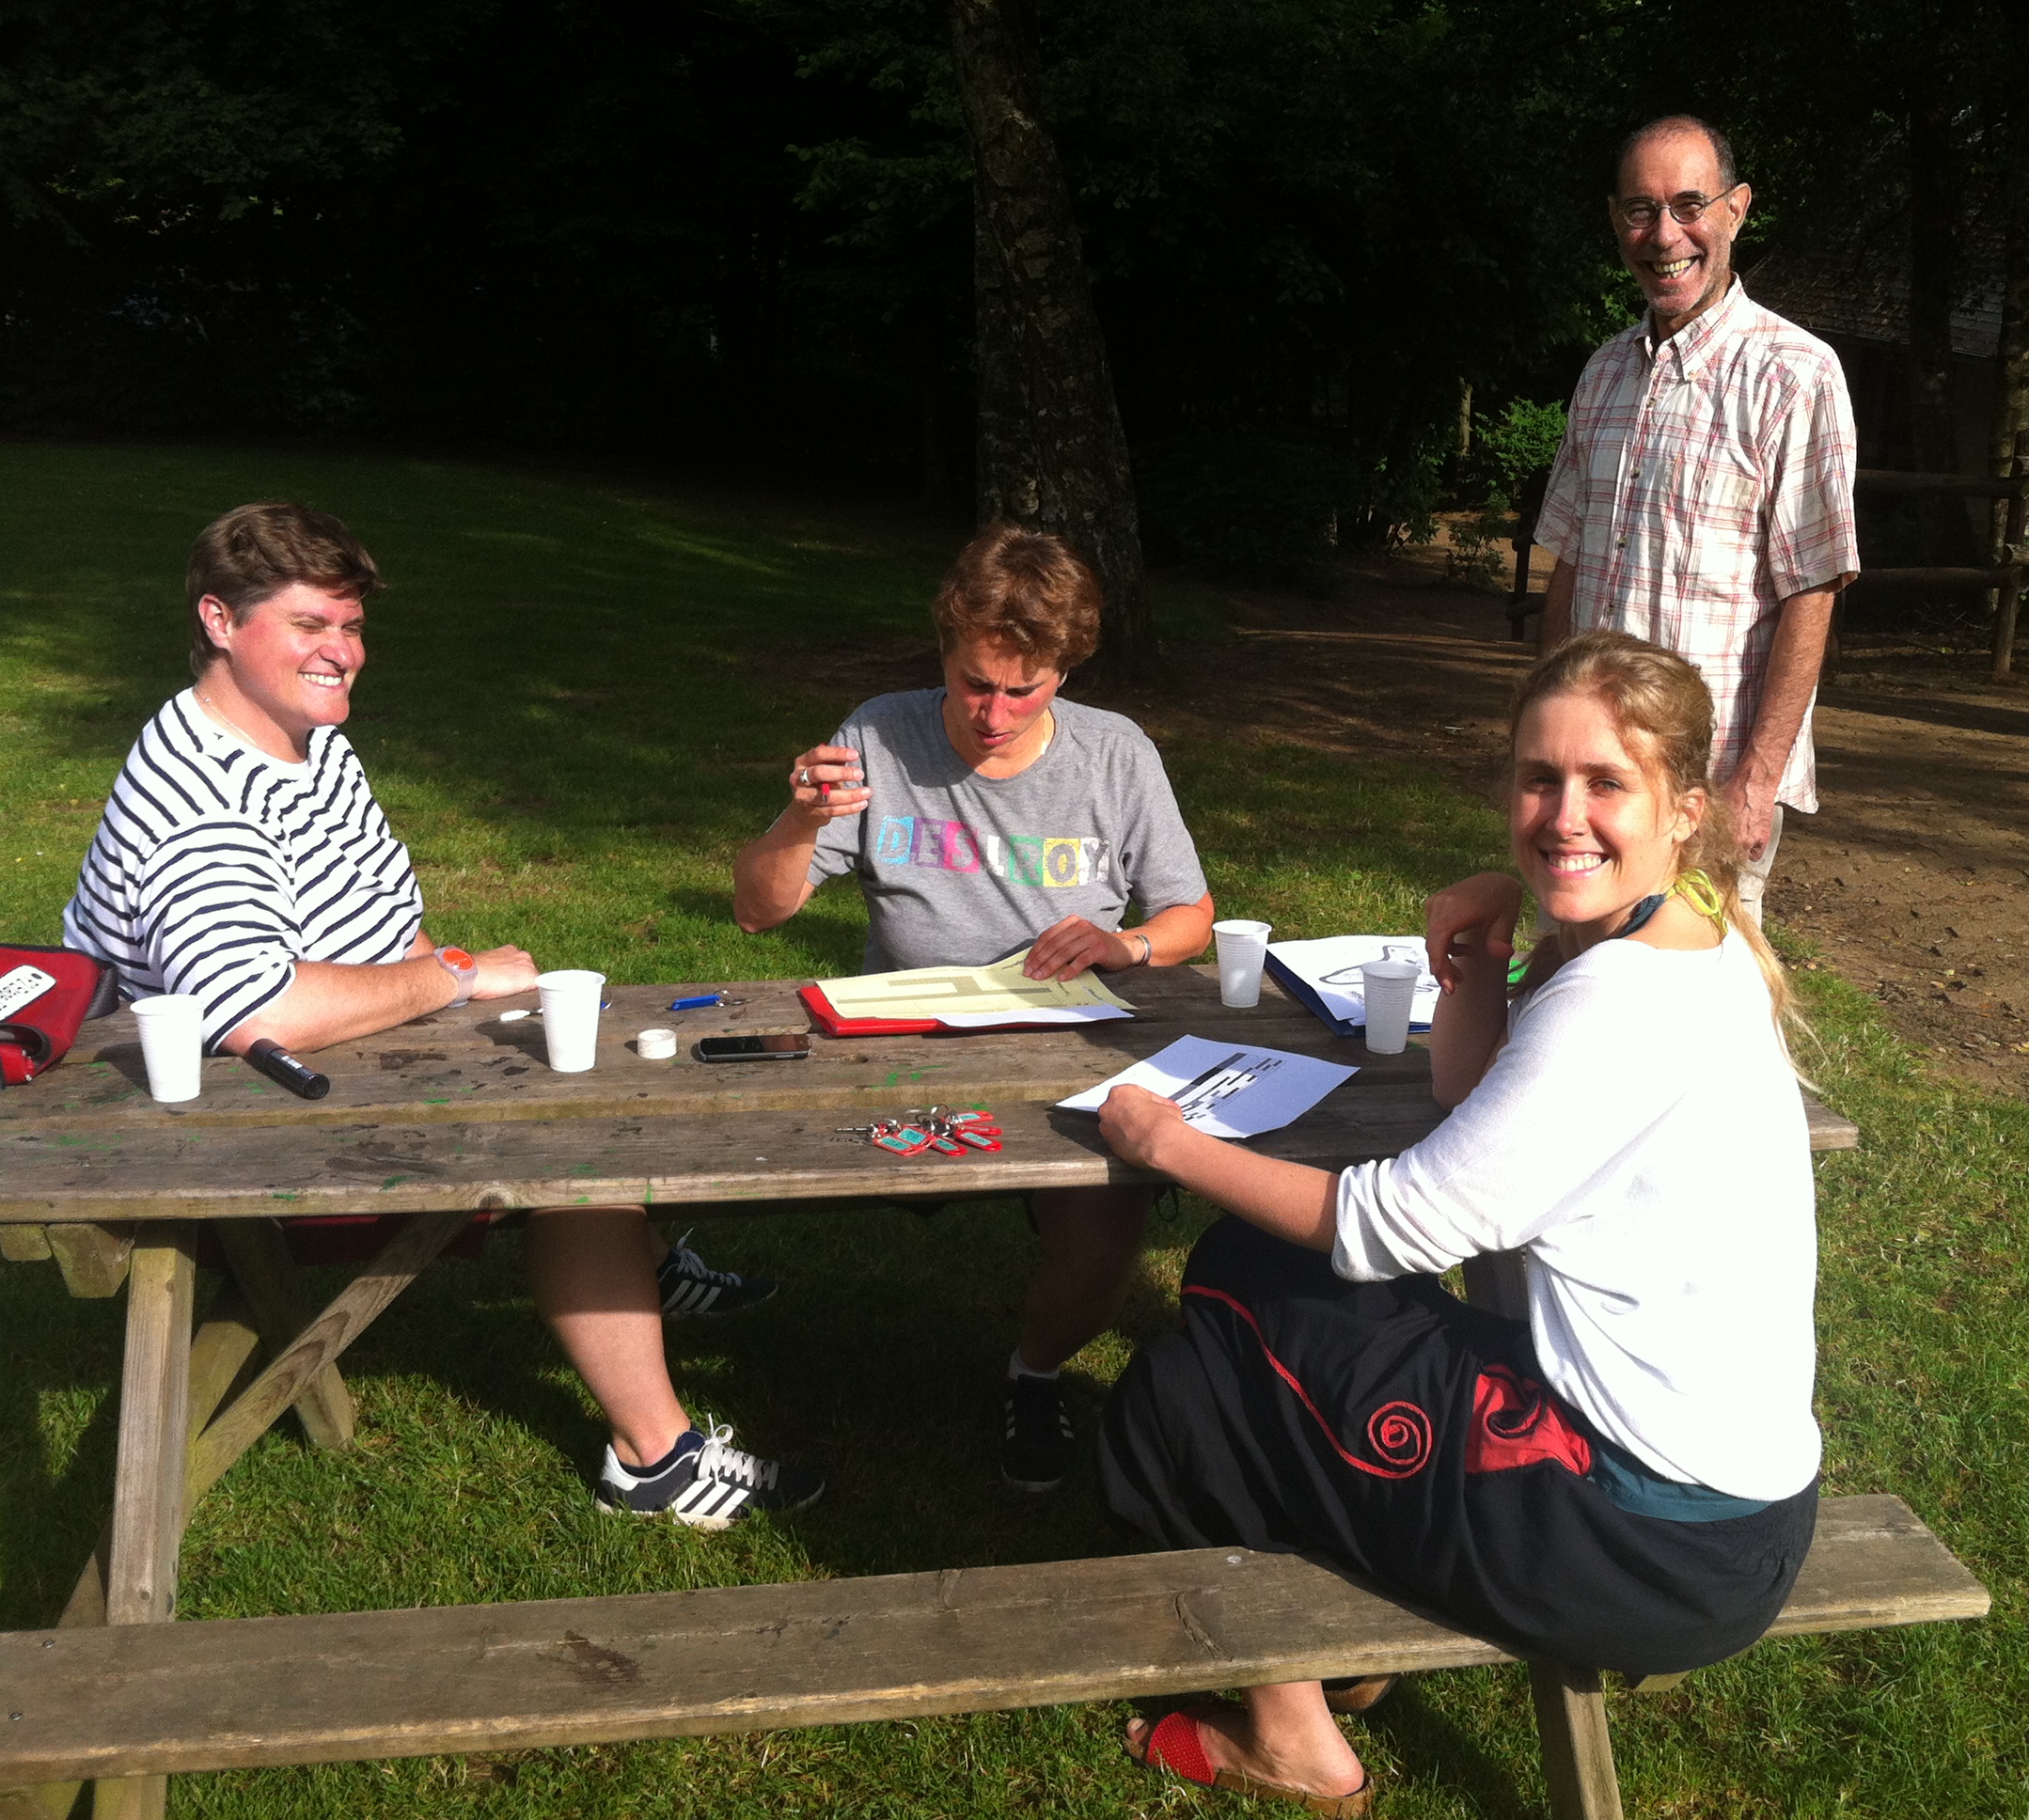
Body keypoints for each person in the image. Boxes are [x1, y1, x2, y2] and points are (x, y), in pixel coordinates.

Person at [1092, 632, 1819, 1814]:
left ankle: (1294, 1738)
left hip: (1643, 1541)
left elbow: (1390, 1227)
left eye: (1605, 783)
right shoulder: (1694, 935)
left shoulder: (1616, 997)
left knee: (1185, 1388)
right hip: (1740, 1518)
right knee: (1243, 1270)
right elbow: (1473, 1100)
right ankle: (1345, 1636)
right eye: (1540, 778)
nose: (1564, 814)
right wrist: (1488, 948)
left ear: (1684, 810)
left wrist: (1168, 1144)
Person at [63, 502, 820, 1528]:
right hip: (210, 1118)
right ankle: (654, 1459)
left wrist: (450, 982)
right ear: (219, 620)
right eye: (308, 624)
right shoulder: (197, 787)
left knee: (588, 1049)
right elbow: (254, 1008)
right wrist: (455, 978)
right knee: (571, 1142)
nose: (341, 652)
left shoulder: (307, 738)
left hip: (332, 1063)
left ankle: (636, 1266)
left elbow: (385, 926)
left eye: (351, 626)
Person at [731, 522, 1216, 1492]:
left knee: (1107, 1234)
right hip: (901, 1043)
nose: (994, 713)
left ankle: (1033, 1371)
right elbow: (757, 910)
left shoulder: (1115, 754)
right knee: (697, 1142)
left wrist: (1126, 945)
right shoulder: (879, 733)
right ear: (943, 652)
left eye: (1022, 690)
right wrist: (801, 819)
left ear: (1066, 671)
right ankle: (652, 1258)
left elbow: (1190, 915)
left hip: (1064, 1043)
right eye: (974, 683)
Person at [1534, 113, 1858, 923]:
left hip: (1705, 786)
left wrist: (1757, 779)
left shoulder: (1795, 375)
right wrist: (1544, 737)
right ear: (1616, 220)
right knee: (1573, 978)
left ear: (1736, 210)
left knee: (1696, 987)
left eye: (1689, 205)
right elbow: (1569, 562)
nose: (1664, 235)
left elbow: (1812, 591)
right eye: (1641, 211)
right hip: (1593, 781)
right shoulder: (1604, 373)